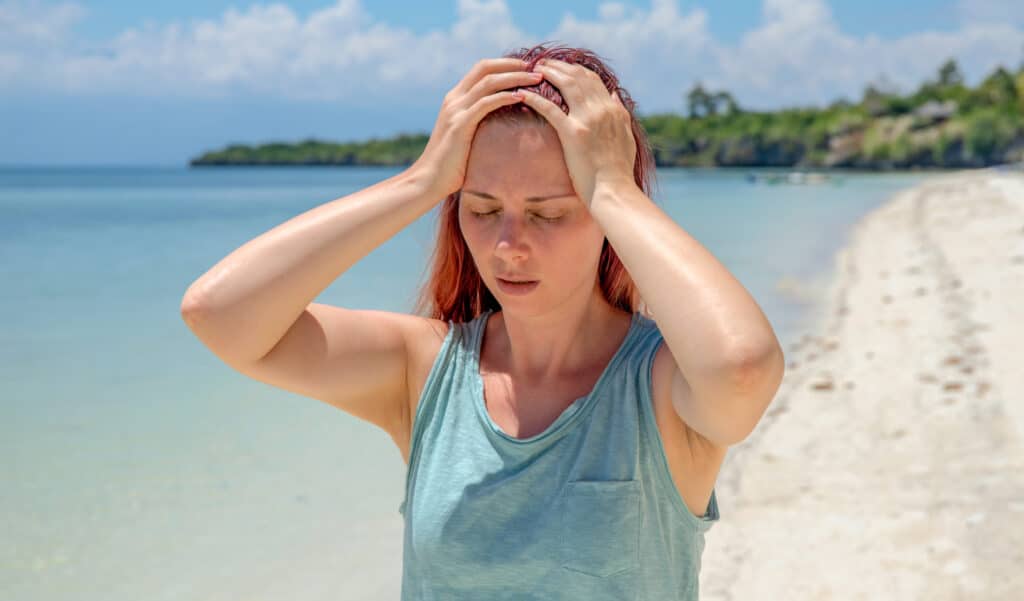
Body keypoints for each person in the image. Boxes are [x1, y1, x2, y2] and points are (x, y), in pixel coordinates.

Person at [180, 42, 785, 600]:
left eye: (549, 214)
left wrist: (614, 189)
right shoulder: (423, 368)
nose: (508, 246)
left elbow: (742, 367)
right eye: (483, 208)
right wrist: (420, 181)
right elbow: (220, 314)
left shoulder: (660, 384)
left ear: (609, 217)